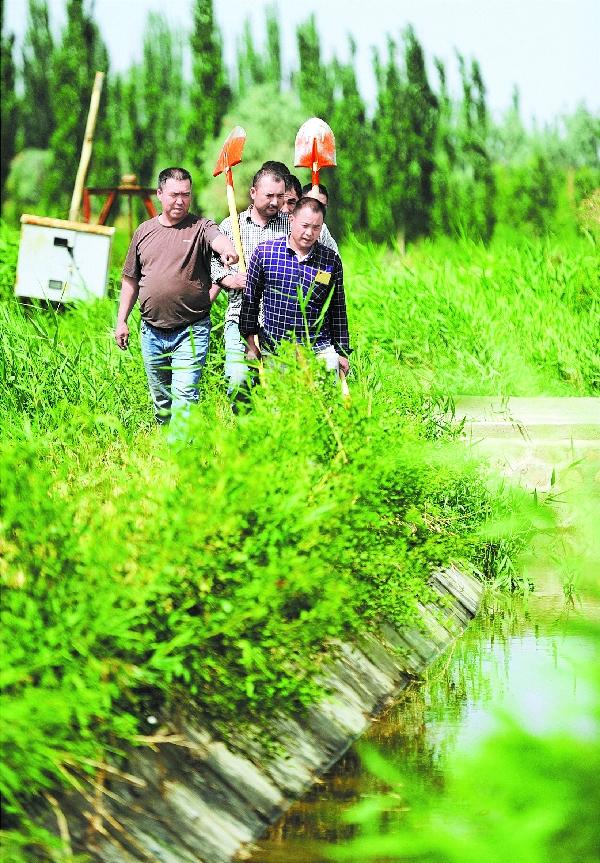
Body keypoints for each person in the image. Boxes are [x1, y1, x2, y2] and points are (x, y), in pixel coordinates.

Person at [115, 166, 238, 424]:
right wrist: (121, 320)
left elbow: (219, 240)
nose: (180, 201)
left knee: (184, 395)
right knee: (162, 401)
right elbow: (130, 280)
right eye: (174, 195)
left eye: (186, 194)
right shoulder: (144, 232)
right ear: (160, 194)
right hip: (152, 331)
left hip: (191, 330)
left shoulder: (200, 227)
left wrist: (227, 250)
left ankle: (182, 454)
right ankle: (168, 453)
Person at [239, 197, 351, 376]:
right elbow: (250, 302)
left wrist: (342, 352)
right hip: (276, 349)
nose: (309, 233)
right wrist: (250, 343)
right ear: (291, 220)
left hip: (319, 349)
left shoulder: (330, 260)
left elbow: (338, 309)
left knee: (325, 402)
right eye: (305, 226)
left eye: (316, 228)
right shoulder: (265, 253)